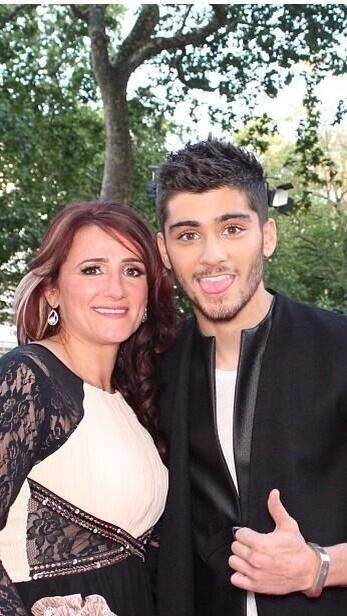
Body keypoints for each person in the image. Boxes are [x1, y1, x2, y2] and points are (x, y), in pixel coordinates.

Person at [154, 139, 347, 616]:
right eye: (187, 235)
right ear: (164, 250)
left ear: (269, 235)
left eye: (232, 228)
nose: (211, 256)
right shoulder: (154, 370)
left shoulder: (339, 348)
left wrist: (319, 566)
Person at [0, 200, 176, 616]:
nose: (115, 288)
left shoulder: (128, 399)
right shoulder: (27, 377)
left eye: (132, 270)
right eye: (92, 269)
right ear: (53, 289)